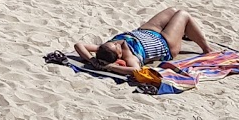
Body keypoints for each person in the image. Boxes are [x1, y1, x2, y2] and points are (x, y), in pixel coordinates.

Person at [73, 8, 213, 76]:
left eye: (112, 42)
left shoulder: (103, 48)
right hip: (165, 43)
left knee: (172, 11)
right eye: (116, 46)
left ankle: (185, 31)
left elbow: (78, 45)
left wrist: (91, 60)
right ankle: (207, 49)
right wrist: (109, 67)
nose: (116, 43)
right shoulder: (130, 57)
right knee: (183, 14)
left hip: (145, 32)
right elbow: (135, 70)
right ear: (120, 55)